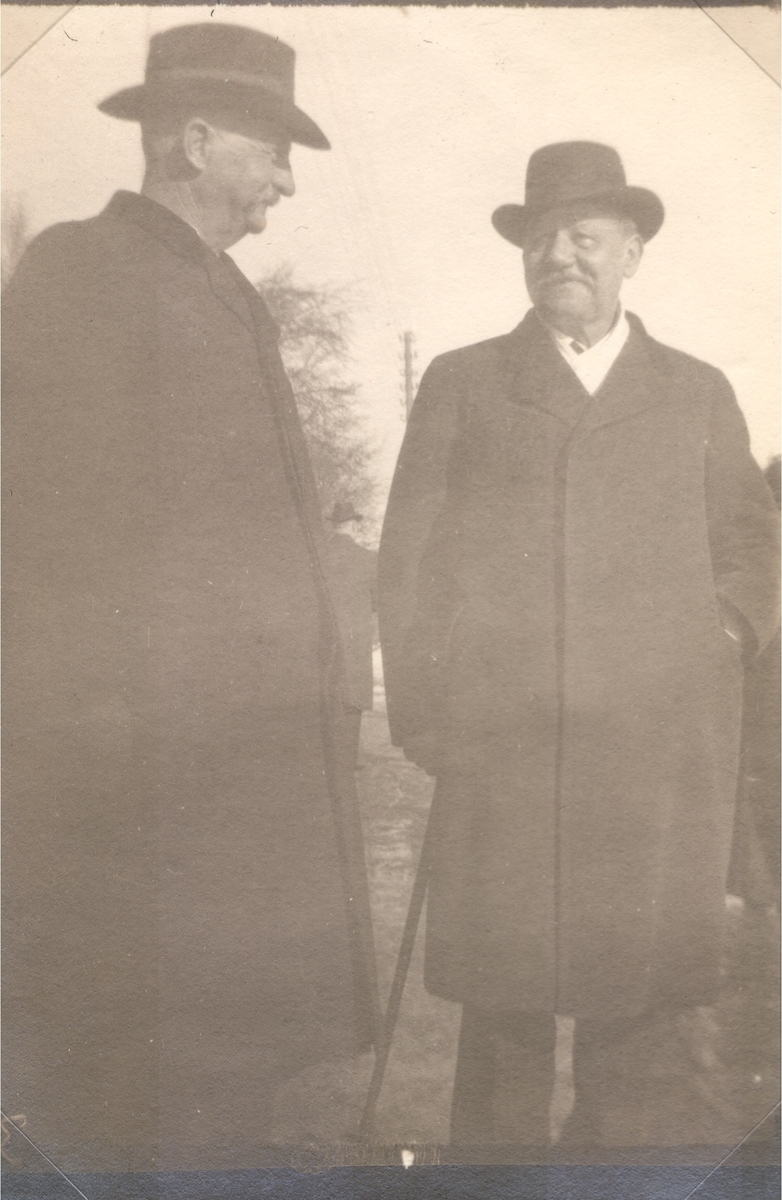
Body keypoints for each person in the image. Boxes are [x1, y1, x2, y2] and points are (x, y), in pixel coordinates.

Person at [3, 23, 376, 1170]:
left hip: (237, 800)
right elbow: (49, 538)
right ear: (196, 140)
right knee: (131, 1097)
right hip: (141, 805)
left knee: (222, 1097)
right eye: (274, 149)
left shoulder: (229, 296)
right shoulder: (79, 270)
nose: (287, 181)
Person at [378, 142, 780, 1148]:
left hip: (653, 758)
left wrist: (720, 634)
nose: (560, 255)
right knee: (502, 1011)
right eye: (541, 238)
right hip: (504, 754)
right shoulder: (466, 382)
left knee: (635, 1015)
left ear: (631, 252)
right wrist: (429, 719)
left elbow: (751, 545)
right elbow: (410, 566)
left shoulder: (694, 391)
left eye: (585, 236)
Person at [323, 502, 379, 774]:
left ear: (333, 525)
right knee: (352, 696)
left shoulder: (319, 556)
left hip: (323, 637)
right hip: (355, 638)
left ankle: (327, 756)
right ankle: (351, 755)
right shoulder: (368, 558)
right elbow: (377, 601)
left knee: (325, 694)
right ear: (354, 525)